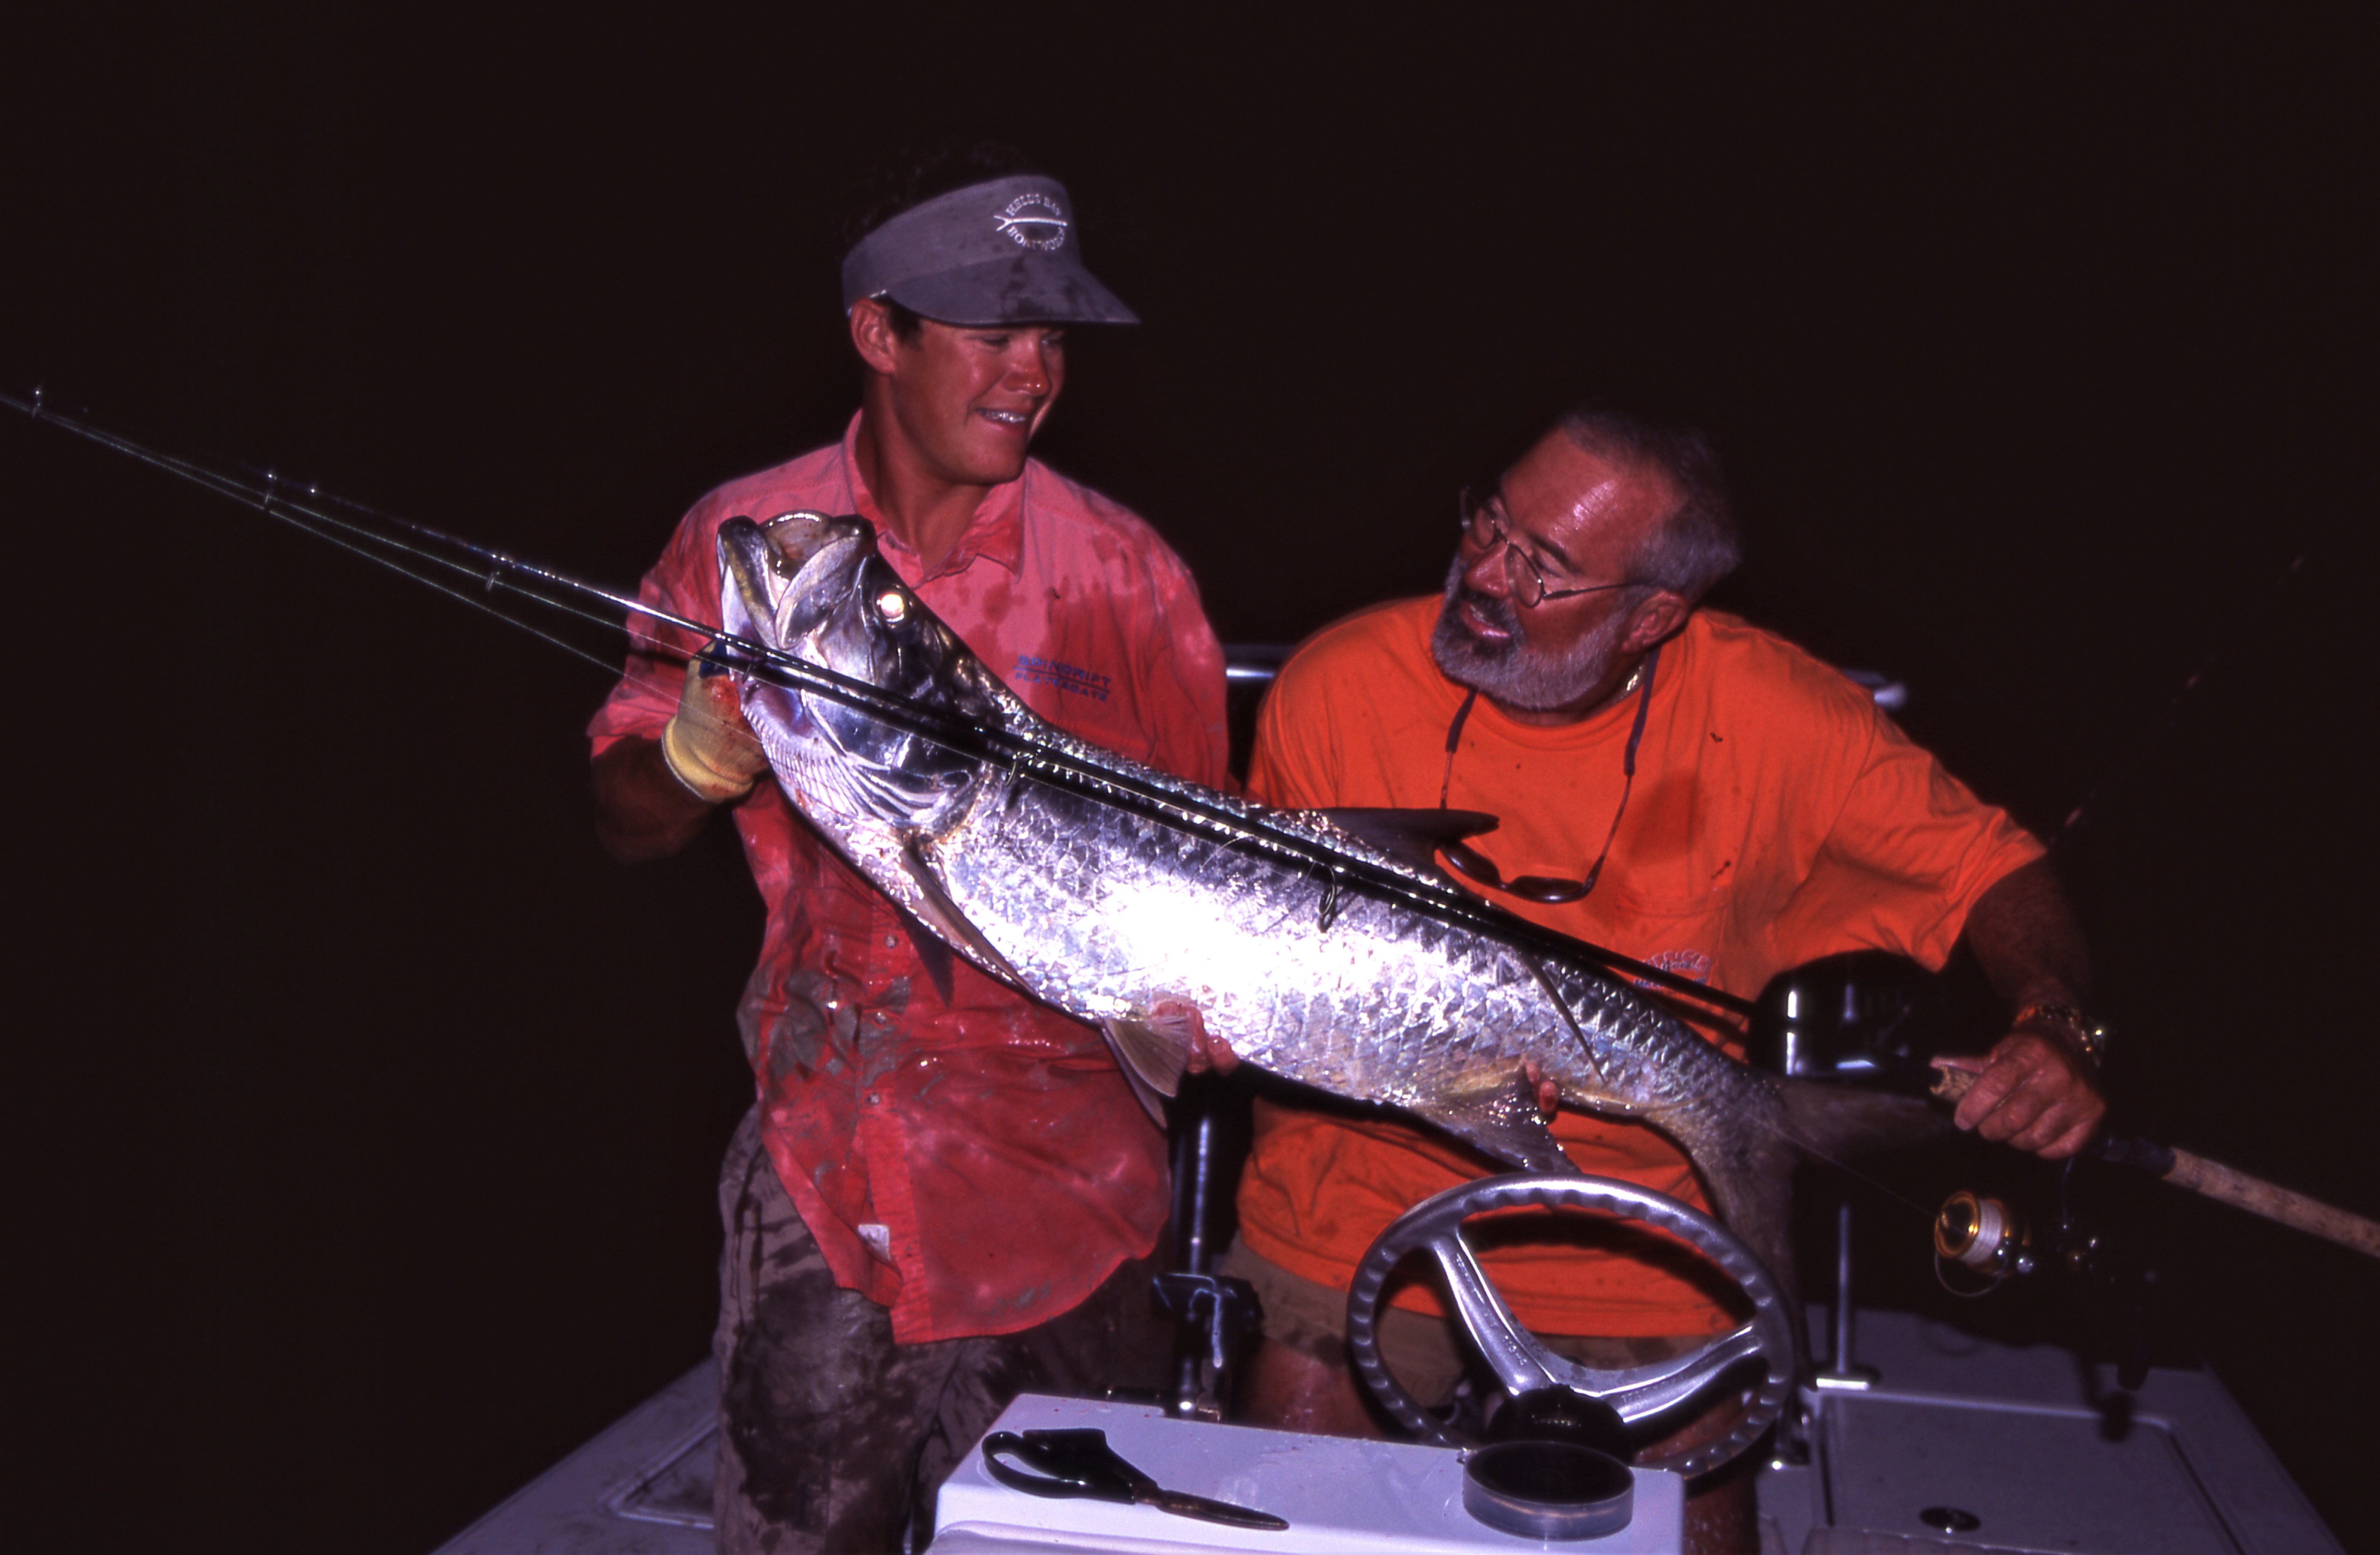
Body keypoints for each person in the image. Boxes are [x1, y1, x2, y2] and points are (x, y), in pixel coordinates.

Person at [1195, 405, 2106, 1553]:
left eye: (1547, 568)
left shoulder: (1776, 721)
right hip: (1360, 1196)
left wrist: (2057, 1025)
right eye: (1491, 521)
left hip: (1645, 1228)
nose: (1485, 573)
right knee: (1271, 1531)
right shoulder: (1336, 688)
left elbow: (1992, 869)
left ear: (1654, 616)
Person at [587, 146, 1230, 1553]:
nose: (1033, 370)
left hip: (1077, 1175)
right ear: (879, 333)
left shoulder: (1128, 580)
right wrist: (690, 761)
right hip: (837, 1148)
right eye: (992, 331)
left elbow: (1205, 880)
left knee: (1052, 1539)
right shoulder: (749, 544)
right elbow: (622, 820)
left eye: (1051, 333)